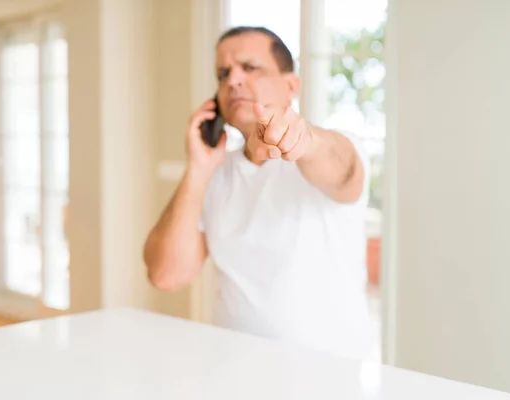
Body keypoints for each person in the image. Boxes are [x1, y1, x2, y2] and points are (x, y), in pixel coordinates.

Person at [143, 26, 372, 360]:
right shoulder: (214, 175)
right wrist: (198, 169)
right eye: (223, 74)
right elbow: (166, 274)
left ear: (291, 85)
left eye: (250, 67)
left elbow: (342, 167)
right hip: (233, 371)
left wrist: (303, 139)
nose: (233, 80)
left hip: (330, 377)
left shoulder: (332, 148)